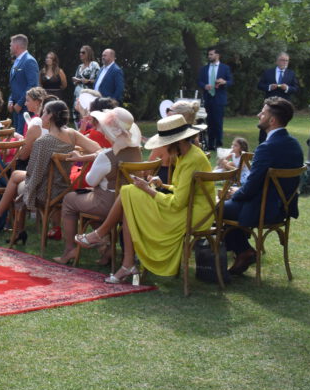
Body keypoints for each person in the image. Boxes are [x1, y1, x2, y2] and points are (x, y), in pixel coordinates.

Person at [75, 114, 212, 283]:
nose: (163, 147)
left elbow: (177, 203)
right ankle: (125, 261)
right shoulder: (187, 154)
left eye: (165, 143)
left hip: (193, 214)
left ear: (176, 142)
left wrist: (148, 189)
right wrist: (163, 185)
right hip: (188, 207)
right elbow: (183, 190)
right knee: (129, 194)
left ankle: (104, 238)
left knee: (129, 193)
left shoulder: (191, 159)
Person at [0, 100, 100, 244]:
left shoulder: (42, 142)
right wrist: (80, 154)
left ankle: (6, 221)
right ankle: (4, 220)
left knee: (18, 181)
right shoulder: (72, 134)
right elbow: (98, 149)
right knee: (16, 176)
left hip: (45, 192)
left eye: (44, 113)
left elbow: (34, 175)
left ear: (50, 116)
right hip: (64, 189)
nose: (41, 116)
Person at [222, 98, 304, 275]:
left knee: (216, 207)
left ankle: (242, 251)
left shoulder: (266, 147)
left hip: (263, 210)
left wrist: (235, 193)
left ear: (272, 120)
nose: (259, 115)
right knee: (227, 205)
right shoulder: (295, 144)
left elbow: (251, 187)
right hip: (283, 208)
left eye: (263, 113)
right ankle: (242, 250)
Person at [53, 107, 143, 264]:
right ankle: (106, 247)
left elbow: (91, 181)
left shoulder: (106, 156)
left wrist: (94, 159)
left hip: (107, 203)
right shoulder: (136, 151)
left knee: (69, 199)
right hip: (130, 203)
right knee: (87, 201)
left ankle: (70, 250)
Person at [257, 52, 298, 142]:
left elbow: (295, 88)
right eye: (282, 60)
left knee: (279, 125)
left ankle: (278, 143)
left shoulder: (291, 73)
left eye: (287, 61)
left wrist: (287, 88)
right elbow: (260, 85)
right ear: (277, 61)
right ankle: (262, 143)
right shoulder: (268, 72)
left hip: (283, 105)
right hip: (269, 104)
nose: (285, 62)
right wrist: (269, 87)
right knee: (265, 122)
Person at [198, 46, 233, 150]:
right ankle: (210, 144)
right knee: (209, 121)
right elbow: (199, 81)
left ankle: (218, 143)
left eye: (211, 54)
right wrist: (205, 86)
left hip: (219, 98)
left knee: (218, 122)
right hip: (208, 98)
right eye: (208, 54)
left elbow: (231, 81)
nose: (209, 56)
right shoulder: (204, 68)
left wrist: (224, 82)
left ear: (217, 55)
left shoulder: (225, 68)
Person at [7, 33, 40, 134]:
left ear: (16, 46)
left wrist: (20, 104)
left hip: (25, 108)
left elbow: (32, 85)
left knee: (24, 136)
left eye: (11, 45)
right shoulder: (17, 61)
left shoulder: (29, 61)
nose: (10, 47)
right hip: (16, 108)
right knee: (17, 135)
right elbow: (16, 84)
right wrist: (11, 100)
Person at [71, 45, 101, 110]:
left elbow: (98, 80)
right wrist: (75, 80)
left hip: (88, 95)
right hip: (77, 95)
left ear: (89, 53)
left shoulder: (94, 65)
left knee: (87, 113)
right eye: (80, 52)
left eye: (83, 52)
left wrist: (88, 81)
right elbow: (75, 81)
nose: (81, 54)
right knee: (76, 113)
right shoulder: (79, 66)